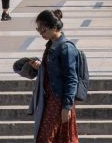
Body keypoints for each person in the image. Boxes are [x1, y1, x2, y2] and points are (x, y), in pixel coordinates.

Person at [14, 9, 80, 143]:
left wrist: (66, 107)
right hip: (49, 99)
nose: (41, 33)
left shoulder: (66, 48)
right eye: (39, 30)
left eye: (43, 30)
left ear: (54, 27)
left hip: (59, 101)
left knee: (47, 138)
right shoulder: (51, 45)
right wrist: (41, 67)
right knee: (56, 138)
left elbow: (72, 79)